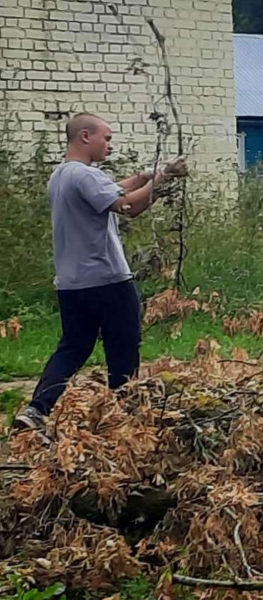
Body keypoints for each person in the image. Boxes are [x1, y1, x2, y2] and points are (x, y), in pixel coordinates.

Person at [22, 113, 185, 431]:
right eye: (106, 138)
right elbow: (128, 206)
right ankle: (124, 422)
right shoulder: (85, 175)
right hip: (107, 279)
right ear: (85, 136)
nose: (109, 144)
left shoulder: (61, 176)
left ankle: (35, 410)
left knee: (73, 347)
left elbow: (113, 189)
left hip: (71, 284)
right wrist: (163, 177)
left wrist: (146, 175)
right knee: (123, 348)